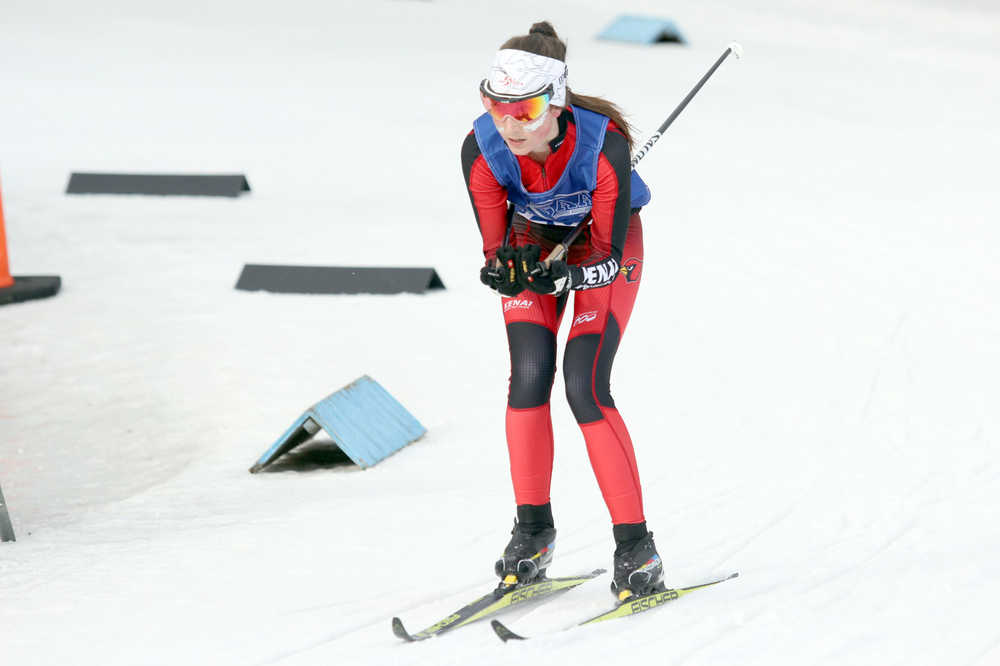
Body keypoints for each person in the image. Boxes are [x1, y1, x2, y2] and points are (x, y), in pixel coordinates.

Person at [461, 21, 663, 602]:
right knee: (527, 377)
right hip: (535, 239)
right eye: (495, 106)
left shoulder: (605, 147)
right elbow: (496, 248)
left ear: (556, 100)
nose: (509, 124)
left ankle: (636, 547)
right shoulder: (482, 148)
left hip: (607, 245)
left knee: (584, 384)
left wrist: (569, 274)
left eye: (525, 110)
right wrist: (503, 269)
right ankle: (533, 534)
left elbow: (604, 255)